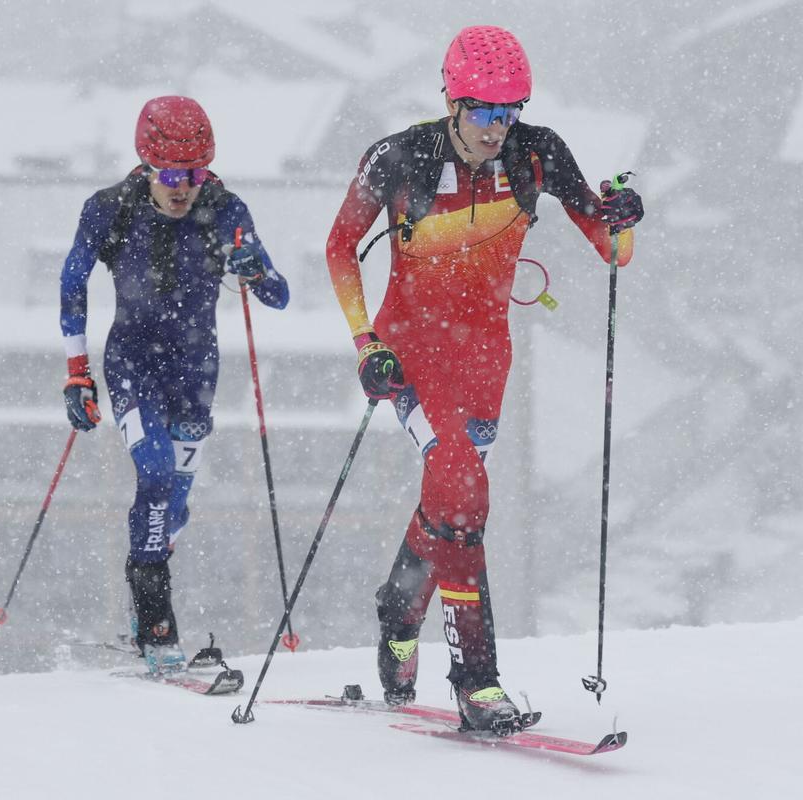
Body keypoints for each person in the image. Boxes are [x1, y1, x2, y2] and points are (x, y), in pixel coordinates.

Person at [325, 25, 644, 732]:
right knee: (465, 491)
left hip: (484, 359)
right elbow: (340, 247)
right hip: (410, 353)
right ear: (451, 99)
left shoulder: (539, 153)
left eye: (511, 111)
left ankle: (398, 610)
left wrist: (622, 215)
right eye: (483, 112)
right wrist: (364, 342)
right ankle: (477, 681)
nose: (499, 128)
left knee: (450, 503)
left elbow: (612, 249)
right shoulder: (399, 156)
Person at [59, 96, 290, 673]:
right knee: (156, 475)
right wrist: (76, 372)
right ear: (146, 165)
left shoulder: (226, 208)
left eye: (193, 173)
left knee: (175, 507)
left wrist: (254, 268)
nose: (182, 187)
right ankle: (158, 626)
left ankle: (142, 601)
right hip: (133, 362)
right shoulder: (110, 208)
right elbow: (72, 284)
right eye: (169, 174)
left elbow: (278, 295)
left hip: (196, 372)